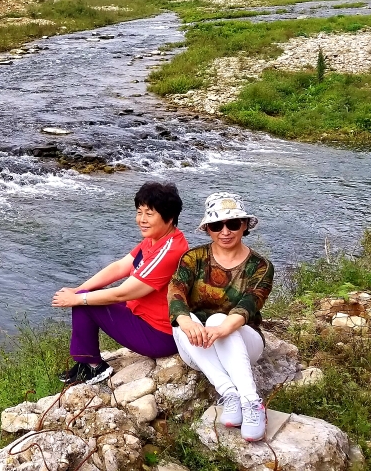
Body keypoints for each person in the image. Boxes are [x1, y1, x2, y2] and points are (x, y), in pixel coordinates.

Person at [51, 181, 188, 385]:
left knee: (85, 304)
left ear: (169, 217)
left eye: (149, 214)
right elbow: (120, 267)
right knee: (85, 296)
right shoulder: (155, 240)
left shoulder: (169, 251)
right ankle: (86, 363)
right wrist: (79, 289)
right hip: (143, 318)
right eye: (139, 212)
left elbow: (122, 293)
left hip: (159, 335)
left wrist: (78, 298)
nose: (141, 220)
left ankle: (92, 367)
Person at [168, 192, 274, 442]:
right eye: (217, 225)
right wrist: (185, 321)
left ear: (245, 225)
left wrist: (223, 328)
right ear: (208, 229)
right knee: (183, 320)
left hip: (244, 343)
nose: (225, 231)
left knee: (217, 321)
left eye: (233, 224)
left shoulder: (260, 266)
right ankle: (229, 394)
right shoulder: (194, 259)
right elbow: (176, 291)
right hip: (200, 348)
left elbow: (250, 303)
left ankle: (252, 402)